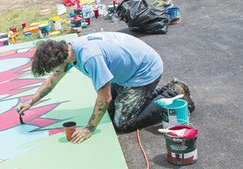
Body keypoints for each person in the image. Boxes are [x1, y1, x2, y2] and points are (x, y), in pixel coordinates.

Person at [17, 33, 195, 142]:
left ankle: (175, 92)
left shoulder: (89, 57)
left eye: (53, 68)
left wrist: (89, 129)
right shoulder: (68, 50)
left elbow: (105, 97)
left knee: (123, 122)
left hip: (144, 71)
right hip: (130, 68)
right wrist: (31, 102)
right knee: (111, 111)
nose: (54, 72)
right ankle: (157, 93)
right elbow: (51, 81)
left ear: (60, 60)